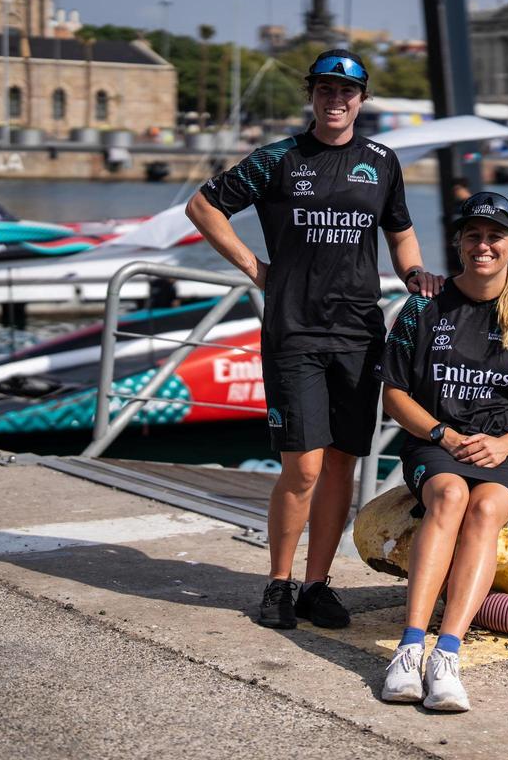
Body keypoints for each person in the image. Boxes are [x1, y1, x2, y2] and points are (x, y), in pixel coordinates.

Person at [185, 48, 442, 631]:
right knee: (302, 465)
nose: (335, 100)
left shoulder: (381, 161)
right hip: (294, 330)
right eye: (325, 90)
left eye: (346, 91)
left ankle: (317, 584)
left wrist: (414, 274)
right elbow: (203, 206)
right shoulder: (278, 159)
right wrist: (255, 268)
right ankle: (278, 582)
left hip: (358, 333)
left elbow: (399, 231)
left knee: (341, 466)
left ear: (361, 99)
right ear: (312, 95)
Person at [374, 191, 508, 711]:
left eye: (494, 236)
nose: (484, 245)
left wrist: (503, 444)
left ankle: (447, 656)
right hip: (436, 440)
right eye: (473, 235)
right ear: (459, 244)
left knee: (485, 509)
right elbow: (394, 395)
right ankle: (411, 648)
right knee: (451, 497)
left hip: (506, 447)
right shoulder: (423, 308)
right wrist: (444, 436)